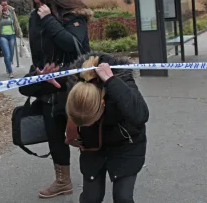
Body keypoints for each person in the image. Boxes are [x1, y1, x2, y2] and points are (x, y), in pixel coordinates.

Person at [19, 0, 93, 199]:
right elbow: (37, 51)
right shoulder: (35, 18)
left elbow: (74, 45)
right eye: (35, 4)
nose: (39, 8)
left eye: (42, 2)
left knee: (84, 135)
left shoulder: (73, 15)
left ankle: (94, 177)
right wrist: (38, 71)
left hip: (75, 87)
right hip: (48, 88)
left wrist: (50, 20)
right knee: (54, 135)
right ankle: (63, 181)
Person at [63, 54, 149, 203]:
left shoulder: (121, 78)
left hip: (126, 143)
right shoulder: (75, 79)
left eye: (89, 121)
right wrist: (40, 79)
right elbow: (27, 89)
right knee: (91, 198)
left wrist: (111, 81)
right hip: (93, 145)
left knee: (123, 197)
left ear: (101, 104)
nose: (85, 126)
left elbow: (141, 115)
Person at [0, 0, 22, 78]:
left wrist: (19, 32)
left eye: (6, 4)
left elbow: (16, 22)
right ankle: (10, 71)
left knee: (11, 55)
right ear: (0, 5)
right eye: (3, 5)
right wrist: (0, 13)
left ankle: (7, 66)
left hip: (12, 35)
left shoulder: (11, 11)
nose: (5, 6)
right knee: (7, 54)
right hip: (2, 36)